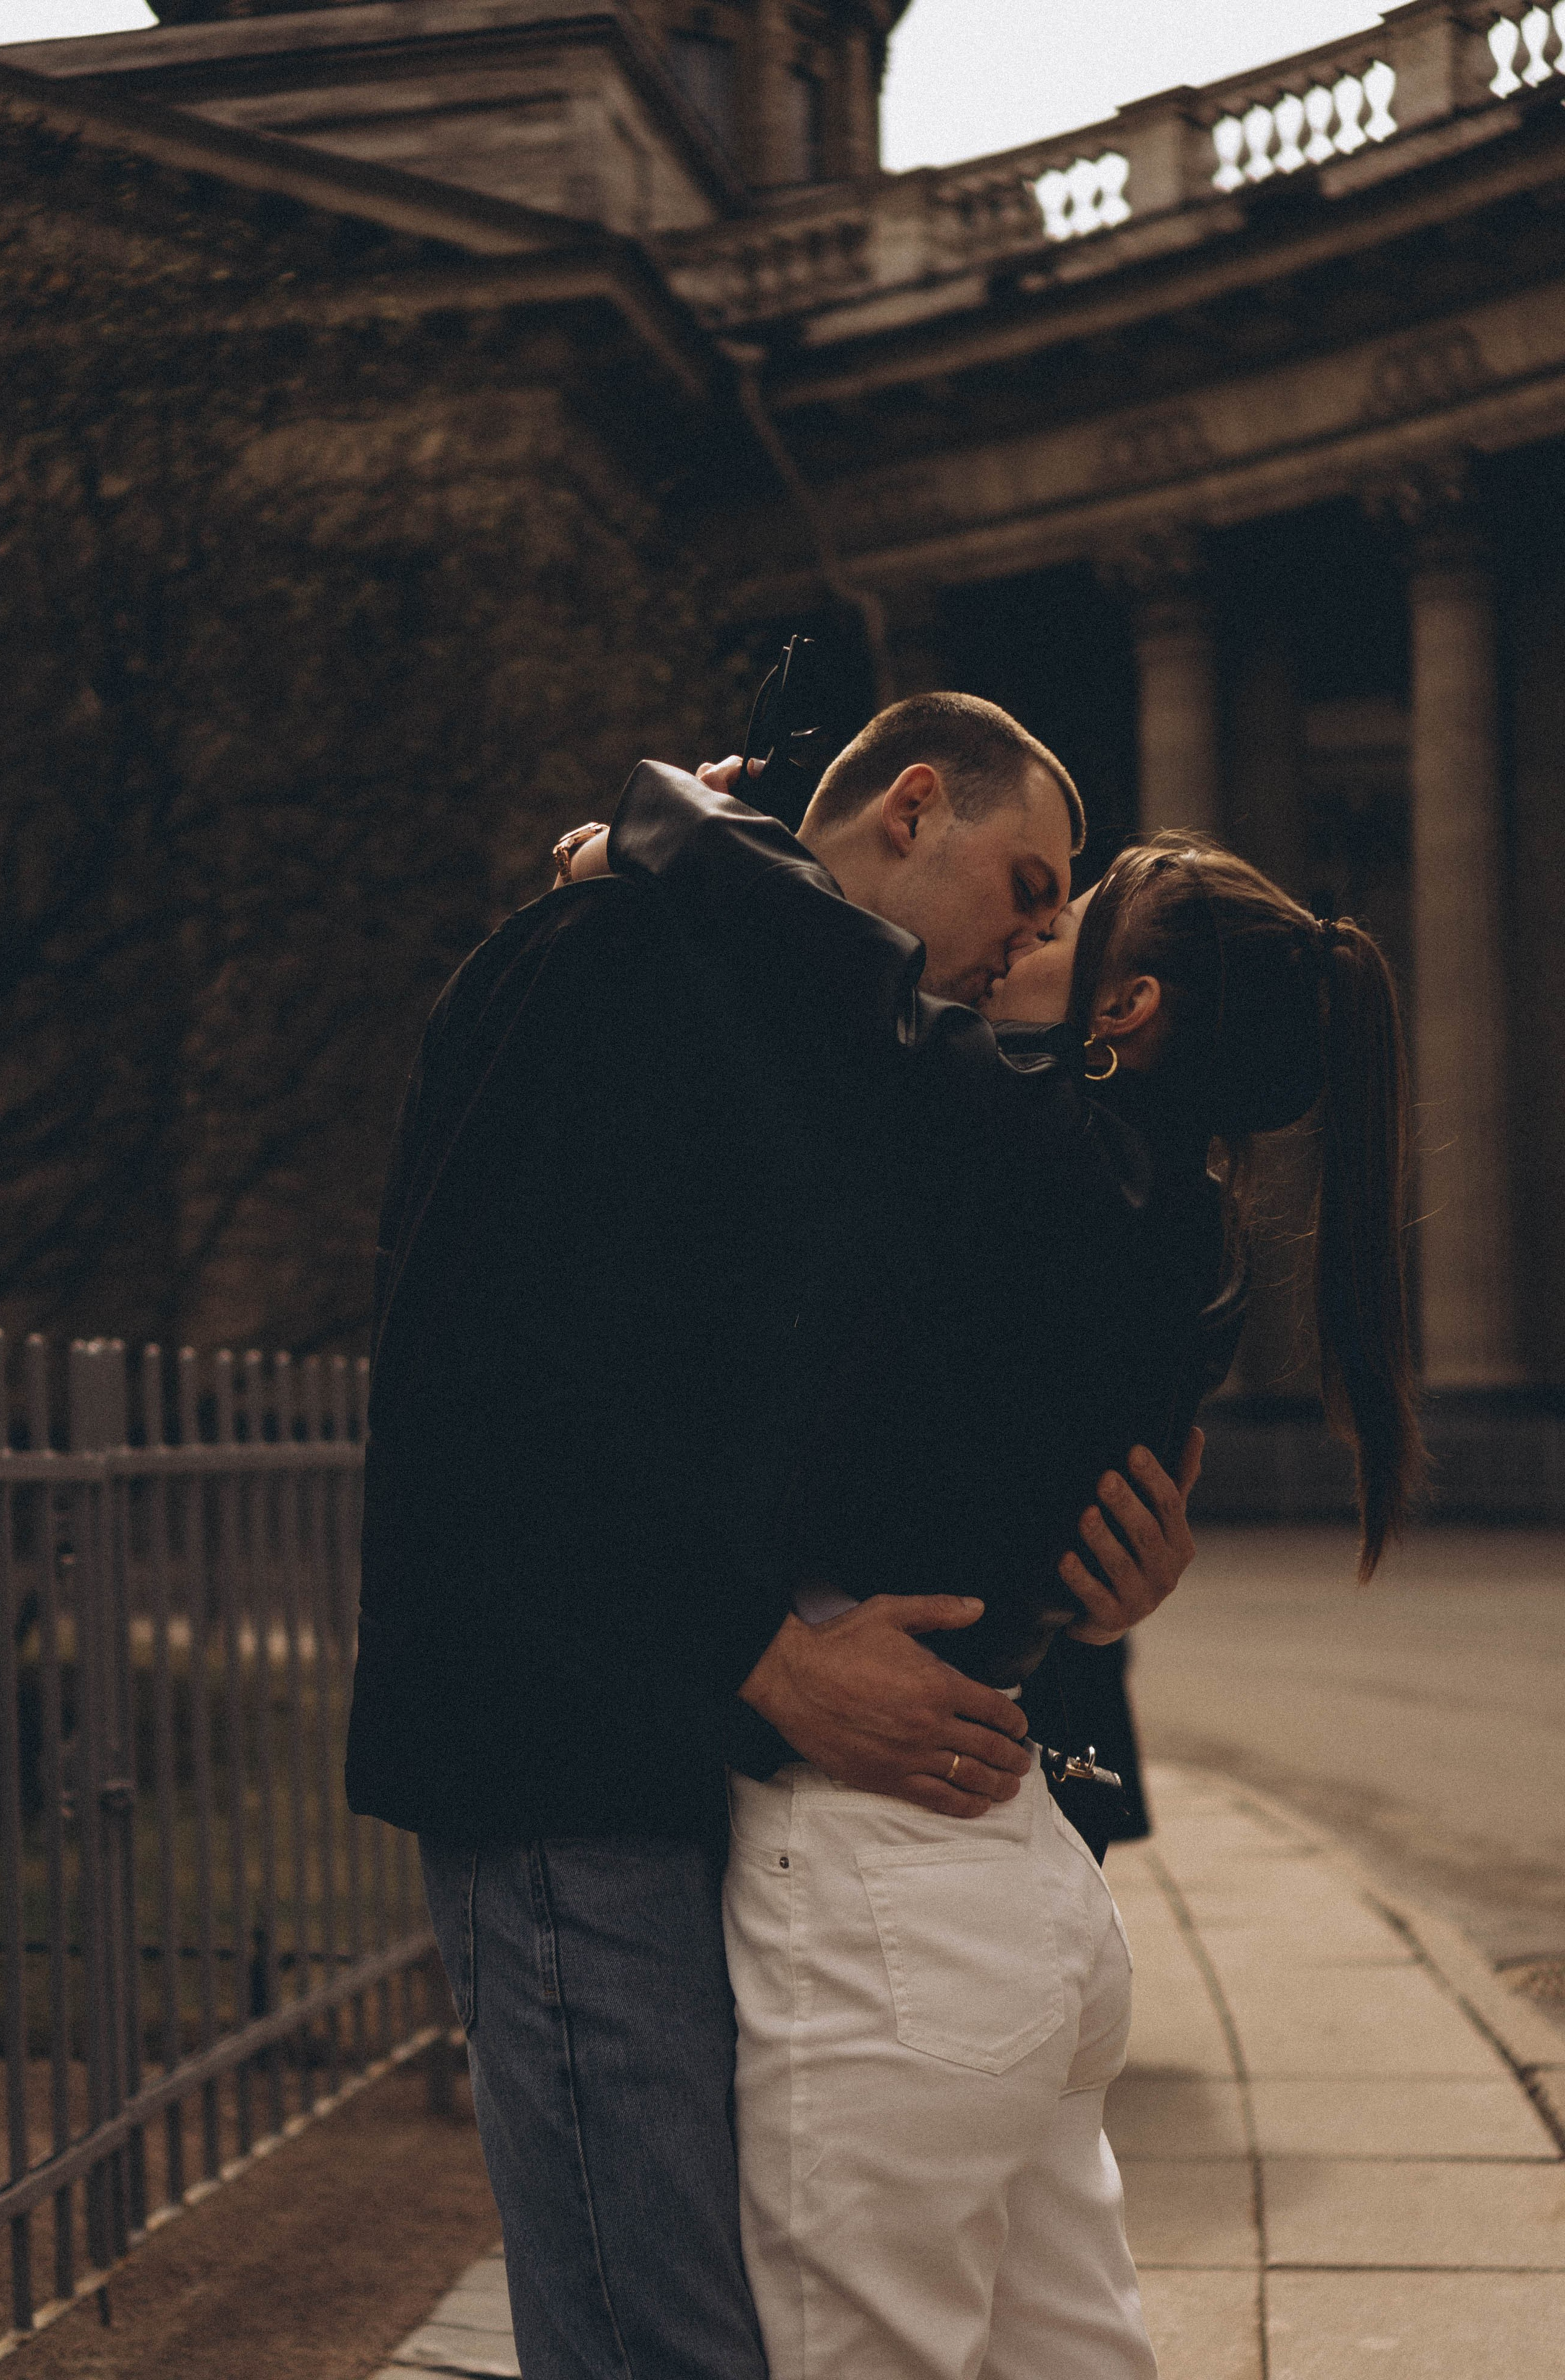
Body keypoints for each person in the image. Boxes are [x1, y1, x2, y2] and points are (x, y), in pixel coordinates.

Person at [344, 694, 1202, 2380]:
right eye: (1026, 886)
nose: (1039, 938)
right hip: (564, 1769)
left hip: (690, 1768)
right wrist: (763, 1665)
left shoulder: (801, 1037)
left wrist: (1098, 1557)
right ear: (910, 810)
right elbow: (477, 1399)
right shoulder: (605, 964)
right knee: (659, 2334)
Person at [584, 763, 1422, 2380]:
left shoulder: (1024, 1136)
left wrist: (656, 809)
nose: (1017, 936)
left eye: (1063, 915)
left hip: (886, 1892)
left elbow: (794, 937)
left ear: (1130, 1000)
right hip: (1025, 1886)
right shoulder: (1193, 1238)